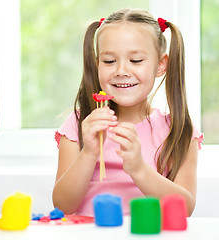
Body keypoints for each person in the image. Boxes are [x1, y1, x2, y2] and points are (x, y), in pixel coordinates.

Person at [52, 9, 203, 217]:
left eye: (136, 60)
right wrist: (89, 153)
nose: (121, 70)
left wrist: (139, 168)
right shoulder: (80, 124)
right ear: (97, 65)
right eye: (109, 61)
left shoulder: (179, 132)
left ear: (160, 65)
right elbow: (62, 205)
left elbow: (184, 209)